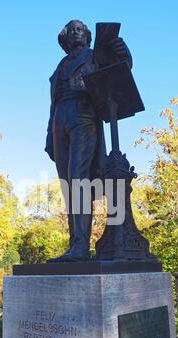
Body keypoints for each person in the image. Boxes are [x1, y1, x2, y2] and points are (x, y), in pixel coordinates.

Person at [45, 20, 132, 263]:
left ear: (87, 36)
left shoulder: (95, 56)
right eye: (71, 30)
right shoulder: (60, 67)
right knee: (66, 183)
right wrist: (48, 136)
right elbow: (52, 106)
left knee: (78, 179)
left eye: (80, 29)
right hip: (59, 120)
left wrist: (122, 51)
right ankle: (75, 244)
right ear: (64, 38)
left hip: (84, 115)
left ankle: (81, 247)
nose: (76, 32)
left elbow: (121, 69)